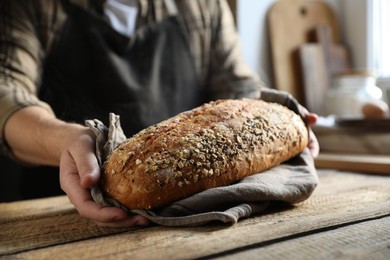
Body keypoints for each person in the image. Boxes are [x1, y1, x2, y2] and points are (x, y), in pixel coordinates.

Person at [0, 0, 319, 227]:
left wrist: (281, 115)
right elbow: (6, 93)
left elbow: (238, 87)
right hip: (54, 215)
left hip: (193, 226)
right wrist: (68, 140)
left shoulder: (201, 6)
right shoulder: (32, 6)